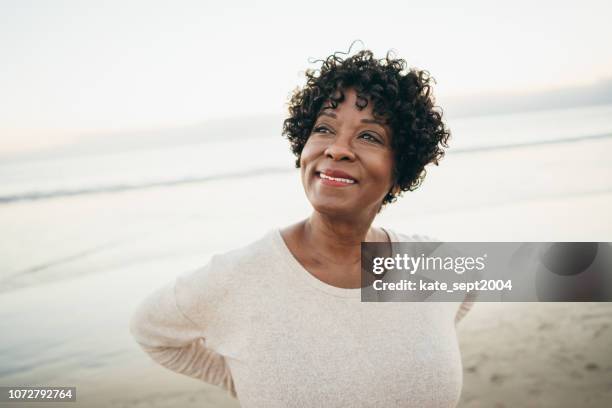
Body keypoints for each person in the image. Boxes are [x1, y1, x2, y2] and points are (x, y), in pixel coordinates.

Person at [129, 48, 473, 407]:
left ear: (400, 174)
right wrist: (237, 380)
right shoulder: (242, 276)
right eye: (324, 128)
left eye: (369, 136)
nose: (338, 149)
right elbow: (150, 330)